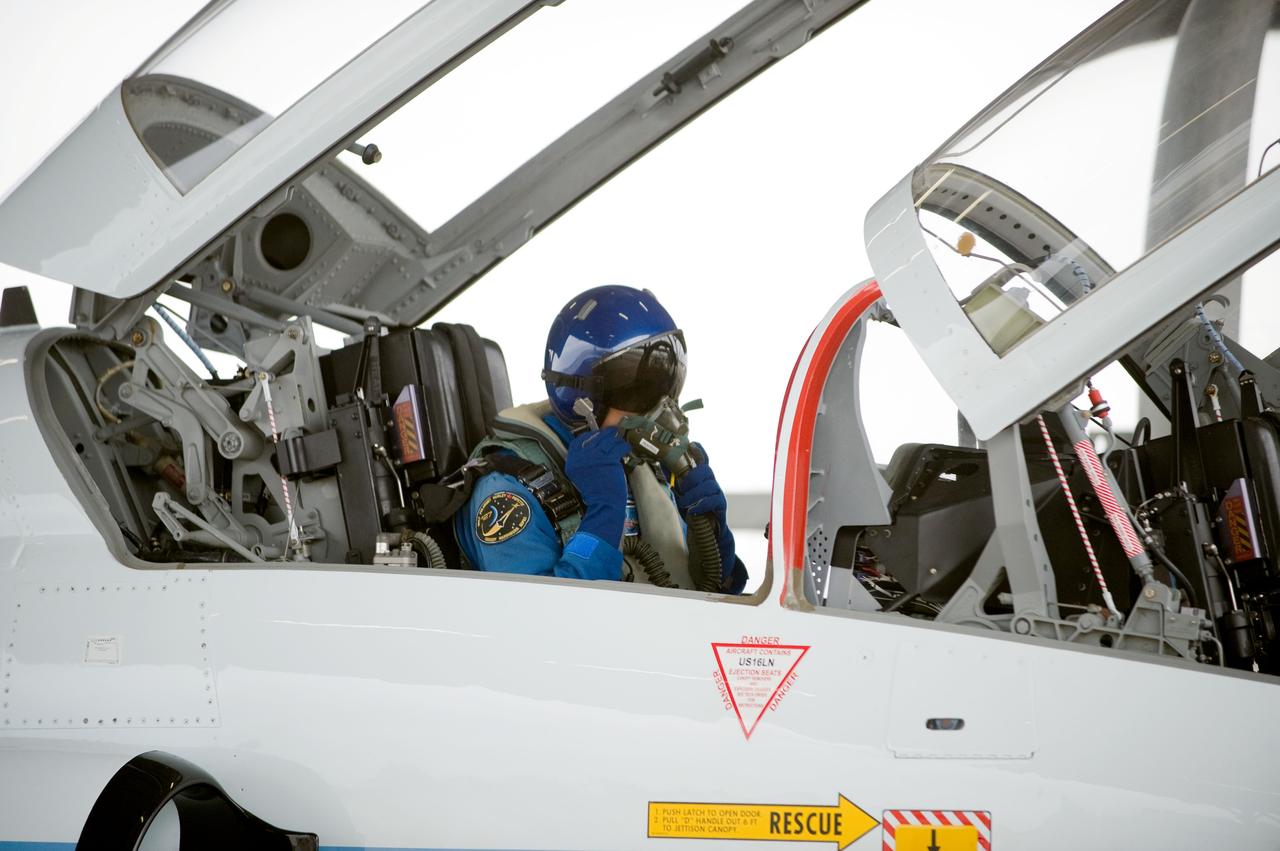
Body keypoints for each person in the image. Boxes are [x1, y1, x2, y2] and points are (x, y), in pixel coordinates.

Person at [454, 285, 748, 592]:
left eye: (666, 388)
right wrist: (604, 513)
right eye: (637, 393)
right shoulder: (508, 492)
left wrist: (711, 534)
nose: (659, 412)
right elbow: (536, 613)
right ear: (581, 397)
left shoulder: (647, 470)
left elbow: (714, 594)